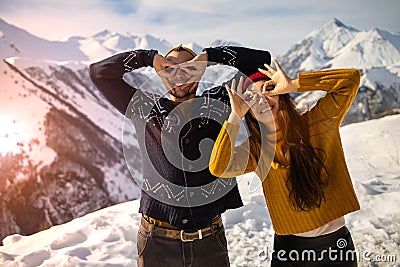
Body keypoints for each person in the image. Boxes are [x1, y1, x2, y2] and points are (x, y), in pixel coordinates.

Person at [89, 45, 271, 266]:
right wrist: (149, 59)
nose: (179, 74)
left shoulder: (221, 102)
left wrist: (210, 56)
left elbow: (261, 62)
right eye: (170, 68)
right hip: (157, 242)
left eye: (188, 67)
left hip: (209, 242)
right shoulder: (145, 108)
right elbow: (100, 73)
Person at [209, 59, 361, 266]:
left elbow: (350, 80)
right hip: (288, 250)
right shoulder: (257, 148)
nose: (262, 99)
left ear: (281, 95)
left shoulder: (318, 123)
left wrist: (295, 84)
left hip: (334, 247)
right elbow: (219, 167)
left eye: (268, 89)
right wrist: (235, 116)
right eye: (252, 98)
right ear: (250, 111)